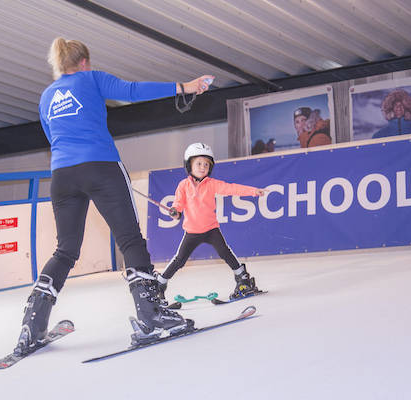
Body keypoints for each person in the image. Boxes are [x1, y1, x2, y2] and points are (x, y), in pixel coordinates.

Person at [14, 37, 214, 354]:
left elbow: (53, 136)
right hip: (101, 166)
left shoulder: (47, 96)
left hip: (62, 175)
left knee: (65, 250)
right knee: (130, 240)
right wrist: (184, 87)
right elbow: (131, 91)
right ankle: (151, 317)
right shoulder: (91, 78)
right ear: (83, 62)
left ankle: (32, 323)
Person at [154, 143, 265, 301]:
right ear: (189, 165)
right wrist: (175, 212)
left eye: (206, 164)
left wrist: (253, 191)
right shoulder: (183, 186)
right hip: (192, 232)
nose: (202, 167)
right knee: (179, 260)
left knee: (225, 252)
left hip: (211, 229)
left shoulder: (212, 184)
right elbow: (178, 204)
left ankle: (243, 278)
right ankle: (160, 284)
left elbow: (231, 188)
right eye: (198, 163)